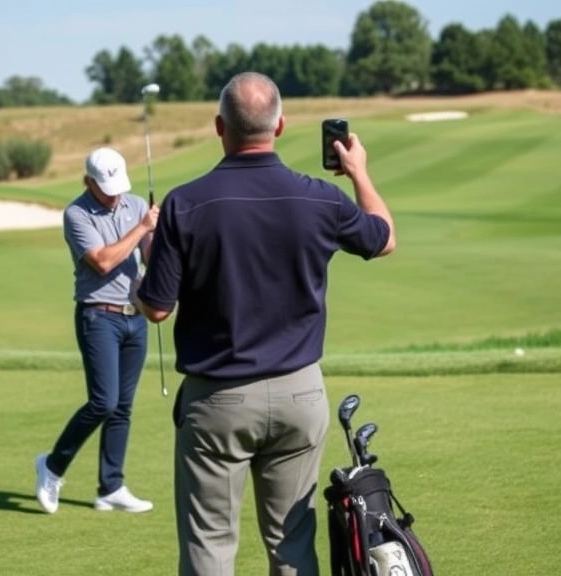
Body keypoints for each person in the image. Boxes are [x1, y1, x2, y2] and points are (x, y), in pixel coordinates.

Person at [134, 71, 396, 575]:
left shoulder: (185, 203)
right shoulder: (320, 197)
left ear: (219, 127)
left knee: (209, 546)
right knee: (292, 547)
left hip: (217, 400)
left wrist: (151, 255)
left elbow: (157, 309)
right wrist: (359, 172)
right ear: (279, 127)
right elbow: (383, 238)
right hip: (301, 395)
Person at [35, 146, 160, 515]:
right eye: (106, 187)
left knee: (122, 406)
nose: (114, 193)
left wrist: (159, 230)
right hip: (97, 316)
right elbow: (103, 262)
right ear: (88, 181)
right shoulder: (76, 214)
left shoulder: (136, 203)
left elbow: (150, 257)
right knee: (103, 401)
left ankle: (111, 487)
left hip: (134, 316)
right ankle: (52, 466)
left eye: (118, 185)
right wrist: (142, 228)